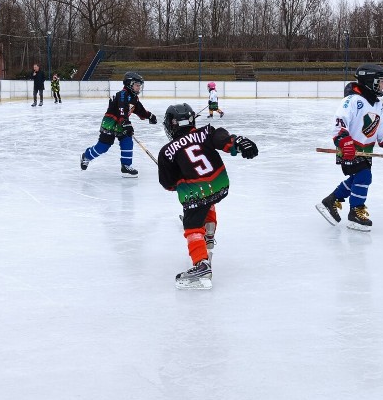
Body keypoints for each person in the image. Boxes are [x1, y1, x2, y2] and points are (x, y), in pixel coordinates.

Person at [158, 102, 258, 289]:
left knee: (192, 224)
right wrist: (235, 142)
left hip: (197, 192)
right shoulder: (205, 132)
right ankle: (209, 235)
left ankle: (201, 264)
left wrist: (178, 184)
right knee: (207, 198)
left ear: (171, 124)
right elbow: (221, 137)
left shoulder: (167, 151)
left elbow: (167, 183)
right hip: (220, 184)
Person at [316, 63, 383, 231]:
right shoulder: (352, 100)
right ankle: (355, 211)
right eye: (381, 81)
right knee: (364, 177)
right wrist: (343, 141)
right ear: (370, 81)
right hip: (349, 149)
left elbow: (382, 130)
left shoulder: (378, 105)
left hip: (365, 151)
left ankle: (331, 200)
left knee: (357, 179)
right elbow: (339, 122)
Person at [79, 71, 158, 177]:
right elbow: (122, 110)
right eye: (137, 85)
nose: (139, 87)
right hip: (111, 123)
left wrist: (150, 116)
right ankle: (86, 156)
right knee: (103, 146)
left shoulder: (134, 98)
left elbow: (140, 110)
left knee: (128, 141)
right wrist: (126, 123)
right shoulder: (122, 95)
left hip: (122, 122)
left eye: (140, 85)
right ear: (129, 84)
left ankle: (126, 166)